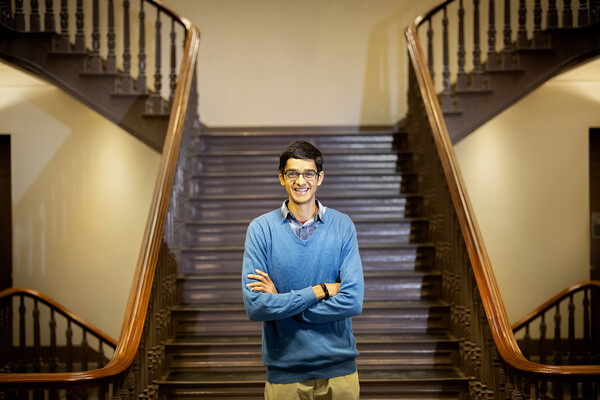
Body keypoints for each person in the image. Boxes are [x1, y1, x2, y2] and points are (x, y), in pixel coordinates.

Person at [241, 140, 365, 399]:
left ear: (320, 177)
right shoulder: (261, 229)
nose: (301, 181)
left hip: (340, 373)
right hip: (285, 375)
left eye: (308, 173)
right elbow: (257, 307)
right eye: (292, 173)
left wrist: (283, 306)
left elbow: (352, 301)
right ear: (281, 178)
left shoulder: (342, 226)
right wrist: (320, 290)